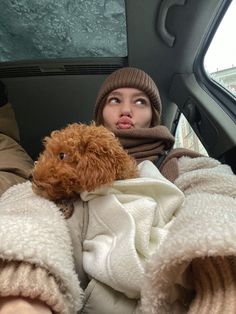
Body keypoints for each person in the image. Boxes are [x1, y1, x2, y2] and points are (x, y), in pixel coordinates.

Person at [0, 67, 235, 314]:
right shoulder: (68, 160)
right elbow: (29, 205)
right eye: (115, 100)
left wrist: (221, 285)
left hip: (168, 292)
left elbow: (217, 197)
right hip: (77, 291)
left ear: (153, 116)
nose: (126, 109)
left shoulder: (176, 162)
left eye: (140, 101)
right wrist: (23, 292)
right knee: (32, 198)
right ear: (100, 112)